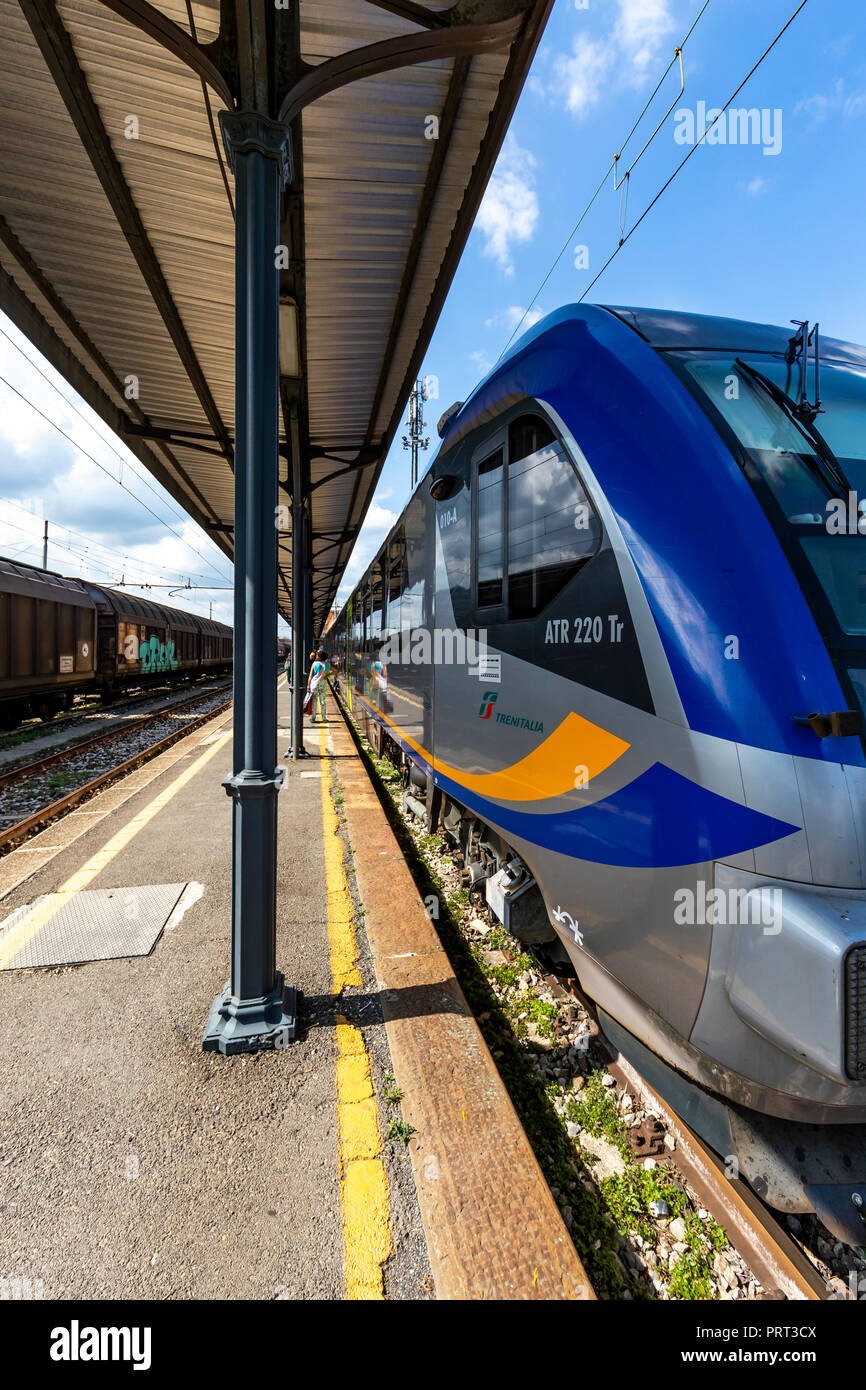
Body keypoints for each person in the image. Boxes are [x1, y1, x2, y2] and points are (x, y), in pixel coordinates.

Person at [306, 647, 329, 723]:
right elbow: (327, 675)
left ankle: (313, 718)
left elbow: (310, 676)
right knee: (323, 701)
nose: (315, 657)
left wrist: (308, 686)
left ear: (319, 657)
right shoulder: (327, 664)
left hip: (314, 684)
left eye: (317, 655)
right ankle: (324, 718)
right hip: (323, 684)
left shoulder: (314, 664)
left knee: (314, 701)